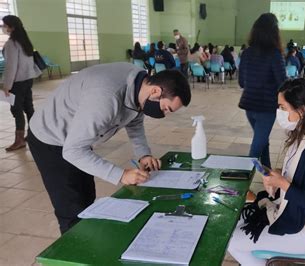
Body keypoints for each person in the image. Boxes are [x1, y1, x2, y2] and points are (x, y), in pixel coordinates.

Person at [28, 63, 191, 234]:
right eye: (166, 108)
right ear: (156, 91)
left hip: (77, 139)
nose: (164, 114)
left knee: (87, 197)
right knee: (71, 207)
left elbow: (134, 121)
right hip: (50, 139)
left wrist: (144, 154)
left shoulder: (141, 86)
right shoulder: (106, 97)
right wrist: (121, 175)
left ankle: (87, 239)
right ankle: (72, 250)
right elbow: (73, 151)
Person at [228, 79, 305, 266]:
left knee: (231, 240)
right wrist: (277, 176)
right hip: (294, 214)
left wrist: (284, 184)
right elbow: (302, 175)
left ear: (301, 110)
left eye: (283, 108)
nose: (279, 113)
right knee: (233, 222)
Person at [238, 13, 286, 168]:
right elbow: (283, 83)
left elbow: (241, 82)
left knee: (262, 139)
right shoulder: (274, 54)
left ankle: (267, 171)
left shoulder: (246, 53)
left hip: (249, 105)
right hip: (266, 108)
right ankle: (242, 174)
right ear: (274, 32)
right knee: (257, 146)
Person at [1, 15, 42, 151]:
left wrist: (6, 86)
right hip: (27, 79)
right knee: (28, 107)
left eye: (4, 25)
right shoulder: (24, 42)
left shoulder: (11, 44)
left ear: (11, 27)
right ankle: (34, 135)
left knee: (16, 109)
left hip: (17, 82)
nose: (3, 28)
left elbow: (11, 67)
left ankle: (19, 141)